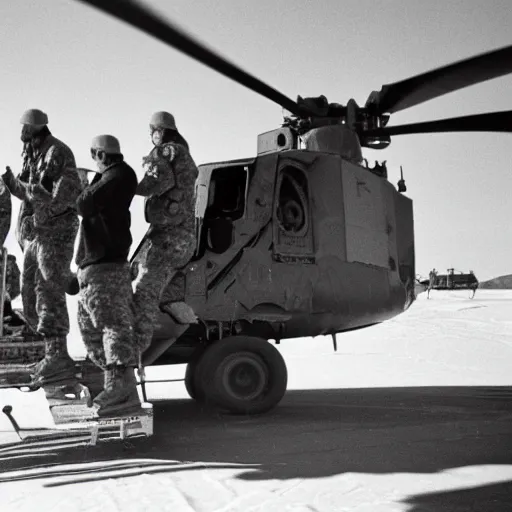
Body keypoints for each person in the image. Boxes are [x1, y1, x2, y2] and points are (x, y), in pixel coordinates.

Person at [2, 108, 82, 384]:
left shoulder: (56, 153)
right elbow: (28, 191)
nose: (21, 135)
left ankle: (58, 355)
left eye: (24, 129)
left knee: (49, 288)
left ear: (34, 129)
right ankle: (50, 353)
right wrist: (11, 183)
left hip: (56, 231)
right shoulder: (33, 152)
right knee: (31, 289)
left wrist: (37, 210)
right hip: (38, 231)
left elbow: (58, 196)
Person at [75, 135, 139, 416]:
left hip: (107, 267)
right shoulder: (108, 178)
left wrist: (84, 182)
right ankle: (116, 386)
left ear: (100, 154)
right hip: (93, 268)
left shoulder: (119, 175)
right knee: (91, 330)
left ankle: (120, 386)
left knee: (113, 326)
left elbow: (84, 205)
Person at [132, 111, 198, 354]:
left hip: (168, 238)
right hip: (184, 238)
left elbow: (159, 181)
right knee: (165, 293)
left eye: (152, 131)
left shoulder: (164, 151)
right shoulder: (184, 154)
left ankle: (134, 350)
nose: (152, 136)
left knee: (145, 293)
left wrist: (126, 186)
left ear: (159, 132)